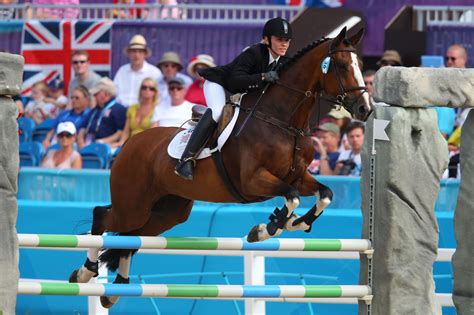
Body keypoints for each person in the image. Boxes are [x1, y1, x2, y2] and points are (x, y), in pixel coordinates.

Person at [175, 17, 292, 180]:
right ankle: (186, 159)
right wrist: (263, 77)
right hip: (220, 85)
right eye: (279, 39)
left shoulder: (284, 61)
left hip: (240, 94)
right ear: (266, 39)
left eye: (287, 40)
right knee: (217, 112)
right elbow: (235, 81)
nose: (284, 44)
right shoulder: (254, 53)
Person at [113, 35, 163, 107]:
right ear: (129, 54)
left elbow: (158, 97)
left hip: (143, 111)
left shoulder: (154, 73)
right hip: (122, 111)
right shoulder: (122, 71)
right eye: (133, 51)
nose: (136, 55)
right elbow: (115, 92)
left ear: (145, 54)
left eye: (140, 52)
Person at [77, 78, 127, 149]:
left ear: (106, 94)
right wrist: (80, 141)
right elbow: (83, 128)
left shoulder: (118, 109)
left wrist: (102, 142)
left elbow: (120, 133)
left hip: (106, 146)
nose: (94, 96)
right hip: (88, 144)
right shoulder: (94, 110)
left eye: (96, 93)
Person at [112, 78, 159, 148]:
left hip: (147, 145)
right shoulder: (132, 108)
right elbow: (126, 132)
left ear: (155, 92)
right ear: (140, 90)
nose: (147, 90)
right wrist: (121, 143)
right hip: (130, 144)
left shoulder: (157, 109)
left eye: (151, 88)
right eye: (144, 87)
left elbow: (152, 134)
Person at [42, 85, 91, 150]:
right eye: (72, 98)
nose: (73, 100)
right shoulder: (64, 113)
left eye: (77, 98)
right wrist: (46, 140)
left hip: (74, 145)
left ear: (86, 100)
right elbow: (53, 129)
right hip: (56, 142)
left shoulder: (89, 115)